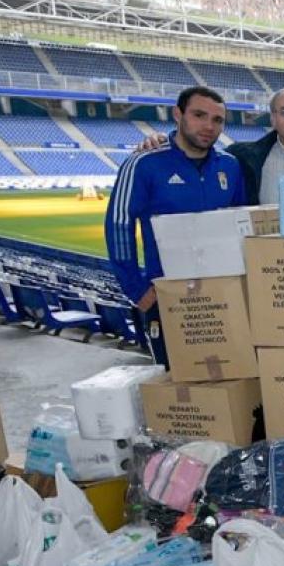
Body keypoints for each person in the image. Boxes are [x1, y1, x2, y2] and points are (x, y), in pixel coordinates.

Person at [106, 86, 247, 365]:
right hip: (167, 297)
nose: (208, 126)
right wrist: (137, 290)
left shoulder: (230, 166)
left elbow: (239, 223)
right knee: (177, 381)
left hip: (223, 295)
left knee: (228, 380)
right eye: (199, 115)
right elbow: (119, 225)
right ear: (178, 114)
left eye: (217, 120)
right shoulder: (144, 163)